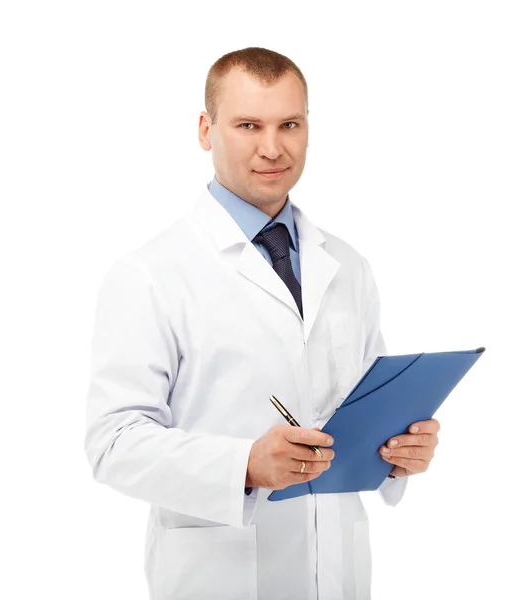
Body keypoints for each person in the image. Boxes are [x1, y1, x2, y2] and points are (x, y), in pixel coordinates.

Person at [84, 46, 441, 600]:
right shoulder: (150, 274)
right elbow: (113, 444)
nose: (272, 148)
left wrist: (398, 453)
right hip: (217, 578)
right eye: (248, 125)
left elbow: (363, 411)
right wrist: (244, 464)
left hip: (340, 576)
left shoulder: (346, 266)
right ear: (206, 130)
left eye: (289, 124)